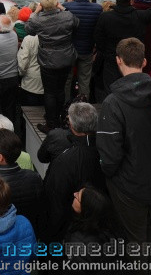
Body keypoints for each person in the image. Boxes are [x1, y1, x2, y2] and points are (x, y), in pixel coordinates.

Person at [97, 38, 151, 246]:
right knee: (145, 231)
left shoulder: (113, 103)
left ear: (118, 60)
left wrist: (109, 173)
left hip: (131, 186)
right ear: (143, 62)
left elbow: (110, 156)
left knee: (134, 240)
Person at [93, 0, 151, 101]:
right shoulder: (140, 16)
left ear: (116, 0)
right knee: (132, 91)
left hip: (112, 60)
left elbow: (98, 38)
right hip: (133, 60)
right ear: (132, 1)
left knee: (110, 93)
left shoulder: (105, 17)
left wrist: (109, 53)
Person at [42, 102, 105, 242]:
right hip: (102, 223)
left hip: (70, 228)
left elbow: (54, 200)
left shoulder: (65, 161)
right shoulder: (108, 149)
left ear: (71, 125)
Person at [26, 0, 78, 132]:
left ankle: (50, 123)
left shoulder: (38, 19)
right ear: (56, 3)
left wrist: (35, 12)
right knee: (60, 90)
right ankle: (59, 117)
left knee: (49, 92)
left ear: (41, 5)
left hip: (48, 59)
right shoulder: (67, 15)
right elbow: (76, 22)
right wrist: (63, 8)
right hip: (66, 57)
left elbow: (28, 29)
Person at [63, 0, 100, 102]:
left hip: (70, 50)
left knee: (67, 80)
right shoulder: (97, 9)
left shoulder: (66, 7)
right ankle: (83, 106)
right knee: (84, 80)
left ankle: (65, 106)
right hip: (87, 49)